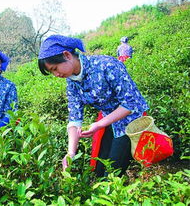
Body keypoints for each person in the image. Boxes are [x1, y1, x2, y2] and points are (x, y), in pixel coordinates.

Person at [37, 35, 148, 177]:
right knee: (100, 169)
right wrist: (71, 152)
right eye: (52, 72)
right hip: (109, 121)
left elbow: (130, 103)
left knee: (112, 172)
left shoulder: (107, 65)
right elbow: (74, 118)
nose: (56, 74)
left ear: (67, 55)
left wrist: (99, 124)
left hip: (132, 121)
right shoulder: (72, 82)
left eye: (55, 68)